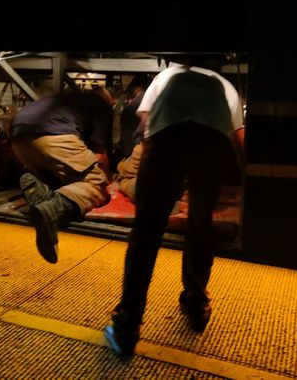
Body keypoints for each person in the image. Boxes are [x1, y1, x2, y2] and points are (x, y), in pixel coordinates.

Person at [104, 60, 245, 356]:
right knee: (200, 223)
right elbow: (237, 137)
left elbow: (145, 121)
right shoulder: (225, 86)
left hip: (167, 137)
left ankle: (127, 326)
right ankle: (196, 304)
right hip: (212, 142)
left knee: (146, 230)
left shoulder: (167, 76)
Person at [10, 87, 114, 264]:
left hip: (19, 138)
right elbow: (100, 154)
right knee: (96, 183)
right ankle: (52, 210)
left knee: (62, 179)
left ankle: (38, 183)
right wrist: (103, 178)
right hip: (54, 136)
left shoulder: (67, 99)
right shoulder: (101, 105)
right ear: (108, 101)